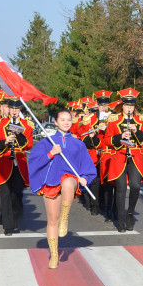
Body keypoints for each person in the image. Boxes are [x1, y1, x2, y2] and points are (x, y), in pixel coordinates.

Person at [28, 109, 97, 269]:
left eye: (69, 120)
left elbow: (87, 166)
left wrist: (85, 178)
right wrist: (51, 153)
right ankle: (53, 255)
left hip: (69, 182)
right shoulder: (47, 142)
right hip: (51, 183)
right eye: (63, 119)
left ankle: (65, 217)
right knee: (52, 220)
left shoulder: (78, 144)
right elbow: (34, 162)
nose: (66, 122)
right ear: (56, 122)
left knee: (68, 182)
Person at [103, 88, 143, 231]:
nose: (129, 108)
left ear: (134, 106)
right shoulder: (114, 121)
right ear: (122, 105)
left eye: (132, 105)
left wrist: (137, 131)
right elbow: (106, 140)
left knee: (136, 186)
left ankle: (130, 213)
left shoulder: (141, 121)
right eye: (126, 105)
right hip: (119, 156)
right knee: (121, 188)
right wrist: (120, 137)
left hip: (135, 156)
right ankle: (121, 220)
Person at [0, 98, 33, 235]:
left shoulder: (27, 125)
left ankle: (15, 215)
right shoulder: (0, 124)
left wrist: (18, 135)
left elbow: (29, 145)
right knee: (6, 193)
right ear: (8, 109)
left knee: (17, 193)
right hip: (4, 161)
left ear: (20, 110)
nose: (14, 111)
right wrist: (5, 142)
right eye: (12, 109)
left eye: (17, 109)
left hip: (19, 162)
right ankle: (8, 225)